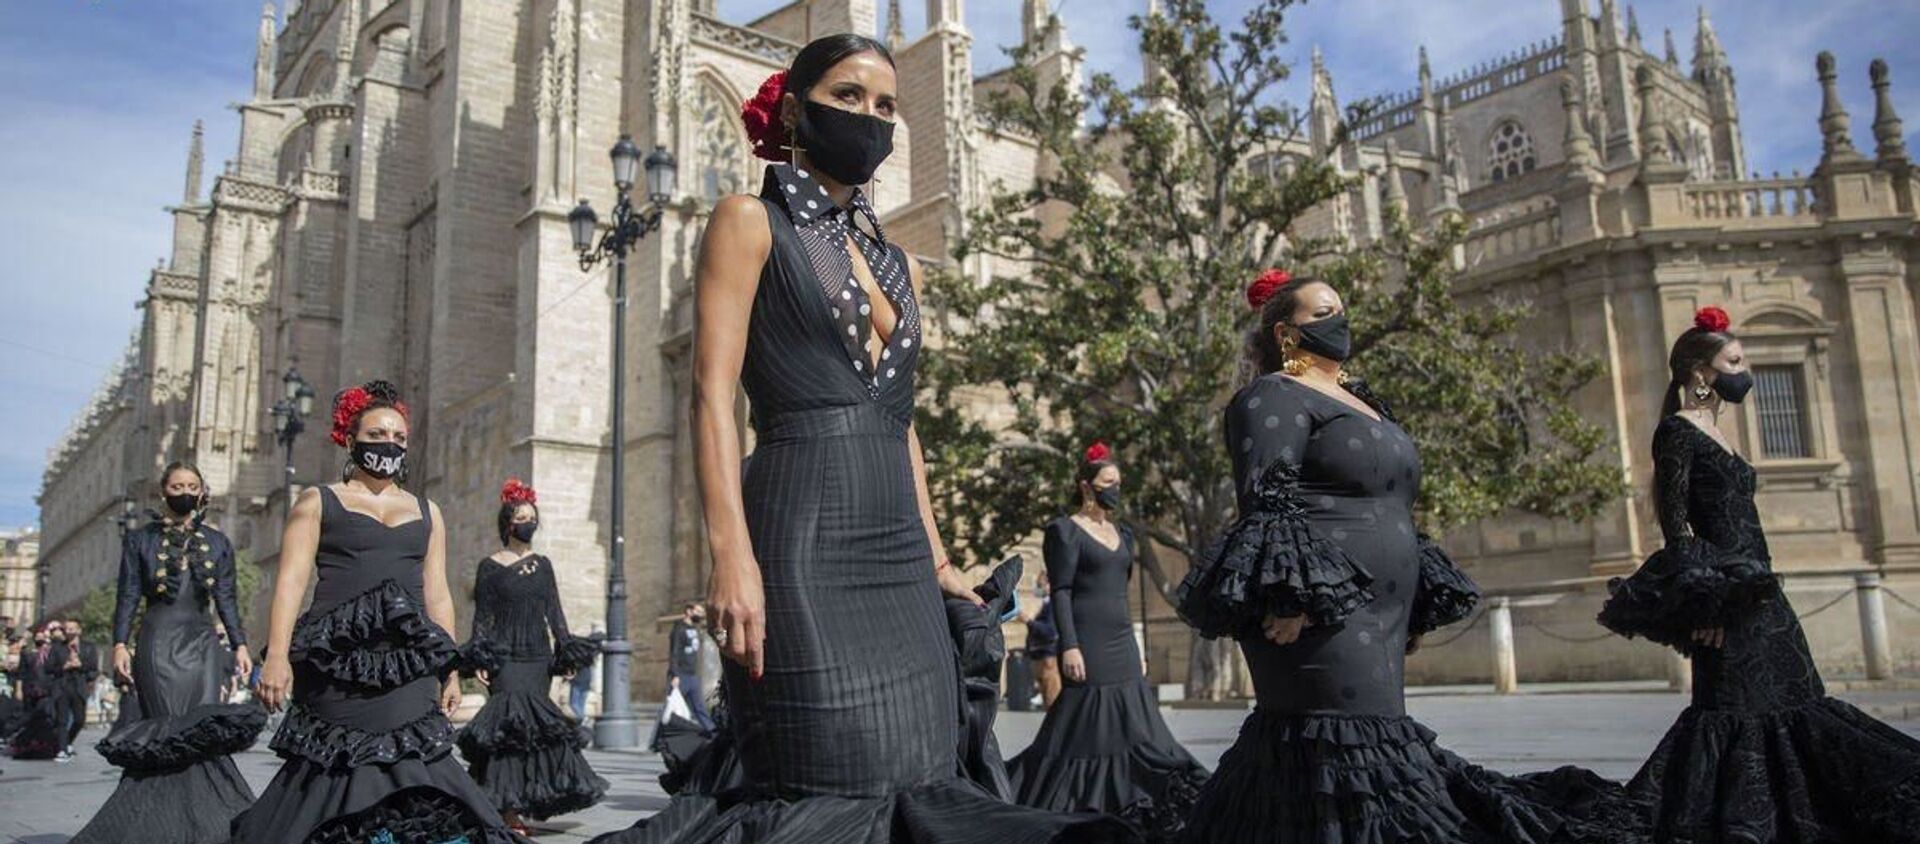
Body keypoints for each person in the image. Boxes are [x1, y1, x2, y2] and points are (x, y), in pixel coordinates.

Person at [589, 34, 1135, 844]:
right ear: (796, 109)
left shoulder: (900, 266)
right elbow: (710, 397)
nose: (870, 117)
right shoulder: (750, 222)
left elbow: (901, 422)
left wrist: (941, 559)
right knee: (834, 775)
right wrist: (731, 556)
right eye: (847, 97)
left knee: (923, 769)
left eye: (885, 105)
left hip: (899, 559)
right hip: (801, 536)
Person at [1175, 269, 1643, 843]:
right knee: (1337, 736)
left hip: (1383, 606)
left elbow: (1394, 502)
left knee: (1363, 735)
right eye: (1322, 313)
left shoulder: (1362, 399)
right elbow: (1268, 497)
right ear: (1285, 334)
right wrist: (1288, 596)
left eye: (1340, 308)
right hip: (1317, 608)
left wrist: (1416, 602)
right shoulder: (1271, 395)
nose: (1339, 321)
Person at [1598, 306, 1920, 842]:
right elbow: (1676, 525)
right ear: (1702, 372)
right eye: (1735, 360)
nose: (1742, 371)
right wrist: (1706, 604)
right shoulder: (1677, 431)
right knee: (1732, 710)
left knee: (1797, 702)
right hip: (1726, 596)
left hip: (1761, 592)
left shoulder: (1717, 428)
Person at [230, 380, 518, 844]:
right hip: (337, 664)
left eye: (399, 438)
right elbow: (291, 582)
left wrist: (448, 671)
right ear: (351, 439)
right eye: (378, 435)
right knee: (333, 769)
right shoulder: (317, 501)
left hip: (408, 665)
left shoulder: (428, 511)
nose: (390, 445)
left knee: (414, 767)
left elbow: (438, 595)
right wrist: (278, 656)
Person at [1008, 442, 1208, 840]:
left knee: (1139, 726)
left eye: (1118, 482)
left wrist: (1137, 644)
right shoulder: (1063, 532)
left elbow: (1122, 593)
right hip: (1088, 640)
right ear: (1087, 487)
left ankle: (1132, 802)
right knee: (1081, 725)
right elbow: (1062, 591)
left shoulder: (1125, 534)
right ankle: (1050, 796)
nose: (1115, 489)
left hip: (1121, 640)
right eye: (1107, 483)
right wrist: (1069, 644)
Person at [70, 462, 265, 843]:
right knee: (167, 726)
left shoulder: (217, 541)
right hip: (157, 641)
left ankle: (207, 823)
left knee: (201, 725)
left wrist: (240, 644)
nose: (185, 491)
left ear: (203, 491)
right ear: (164, 492)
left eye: (192, 485)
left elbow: (226, 597)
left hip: (203, 642)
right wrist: (121, 643)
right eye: (177, 485)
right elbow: (128, 595)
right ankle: (158, 826)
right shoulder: (140, 540)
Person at [459, 478, 608, 833]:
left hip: (537, 657)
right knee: (507, 726)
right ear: (508, 522)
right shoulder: (490, 567)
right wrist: (481, 657)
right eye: (523, 517)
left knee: (531, 731)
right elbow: (483, 616)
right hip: (505, 655)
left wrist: (566, 654)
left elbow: (555, 613)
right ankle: (508, 810)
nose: (530, 523)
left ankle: (519, 804)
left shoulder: (543, 565)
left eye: (533, 517)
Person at [9, 622, 68, 759]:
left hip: (47, 689)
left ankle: (44, 744)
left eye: (44, 635)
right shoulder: (27, 652)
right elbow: (21, 673)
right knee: (29, 716)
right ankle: (21, 741)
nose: (41, 637)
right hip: (30, 688)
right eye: (38, 635)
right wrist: (18, 689)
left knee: (45, 714)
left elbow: (56, 669)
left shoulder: (52, 651)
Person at [666, 602, 714, 731]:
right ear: (689, 611)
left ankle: (713, 733)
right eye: (698, 612)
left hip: (692, 676)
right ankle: (660, 740)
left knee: (699, 708)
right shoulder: (679, 629)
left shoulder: (695, 629)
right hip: (680, 676)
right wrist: (674, 675)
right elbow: (674, 653)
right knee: (671, 709)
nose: (701, 615)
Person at [58, 618, 101, 757]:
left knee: (79, 719)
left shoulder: (88, 647)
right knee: (62, 720)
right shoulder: (58, 647)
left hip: (80, 686)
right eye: (67, 628)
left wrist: (80, 665)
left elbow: (94, 668)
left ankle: (68, 742)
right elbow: (49, 668)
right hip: (63, 686)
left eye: (72, 628)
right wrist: (64, 666)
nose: (69, 630)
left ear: (79, 630)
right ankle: (62, 750)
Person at [1025, 573, 1063, 709]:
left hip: (1048, 656)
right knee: (1048, 702)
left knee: (1052, 700)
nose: (1038, 588)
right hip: (1039, 655)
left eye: (1041, 584)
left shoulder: (1052, 604)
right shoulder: (1043, 604)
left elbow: (1050, 631)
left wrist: (1029, 621)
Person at [569, 626, 599, 723]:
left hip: (578, 681)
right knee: (581, 703)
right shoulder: (591, 655)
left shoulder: (579, 656)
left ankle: (582, 718)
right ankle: (582, 721)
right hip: (587, 681)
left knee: (573, 703)